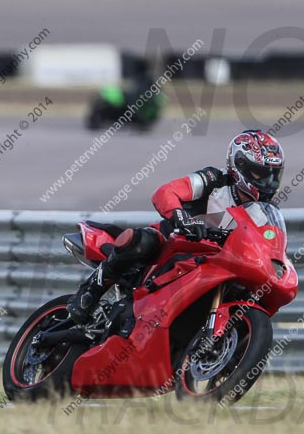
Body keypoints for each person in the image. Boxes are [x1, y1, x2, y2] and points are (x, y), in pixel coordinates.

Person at [67, 129, 285, 326]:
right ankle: (89, 293)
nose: (268, 181)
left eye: (274, 175)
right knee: (141, 241)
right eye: (262, 173)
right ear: (241, 166)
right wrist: (182, 218)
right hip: (176, 244)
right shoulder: (214, 180)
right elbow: (165, 192)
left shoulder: (264, 213)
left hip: (216, 261)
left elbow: (268, 244)